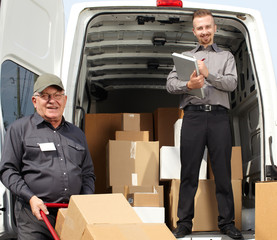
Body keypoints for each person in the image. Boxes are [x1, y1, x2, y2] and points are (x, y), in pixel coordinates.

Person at [166, 9, 243, 240]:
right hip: (193, 117)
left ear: (214, 28)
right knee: (188, 172)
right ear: (194, 31)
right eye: (200, 28)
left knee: (222, 172)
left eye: (208, 27)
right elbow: (170, 84)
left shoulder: (226, 56)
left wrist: (209, 75)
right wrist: (188, 85)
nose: (204, 31)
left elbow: (231, 84)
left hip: (219, 118)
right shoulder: (185, 56)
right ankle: (184, 223)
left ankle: (227, 223)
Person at [0, 73, 96, 240]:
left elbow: (88, 173)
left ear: (65, 100)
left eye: (57, 95)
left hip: (70, 215)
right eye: (45, 96)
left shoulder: (77, 134)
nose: (52, 101)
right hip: (34, 215)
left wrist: (84, 202)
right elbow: (8, 171)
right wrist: (31, 198)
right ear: (35, 101)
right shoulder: (20, 129)